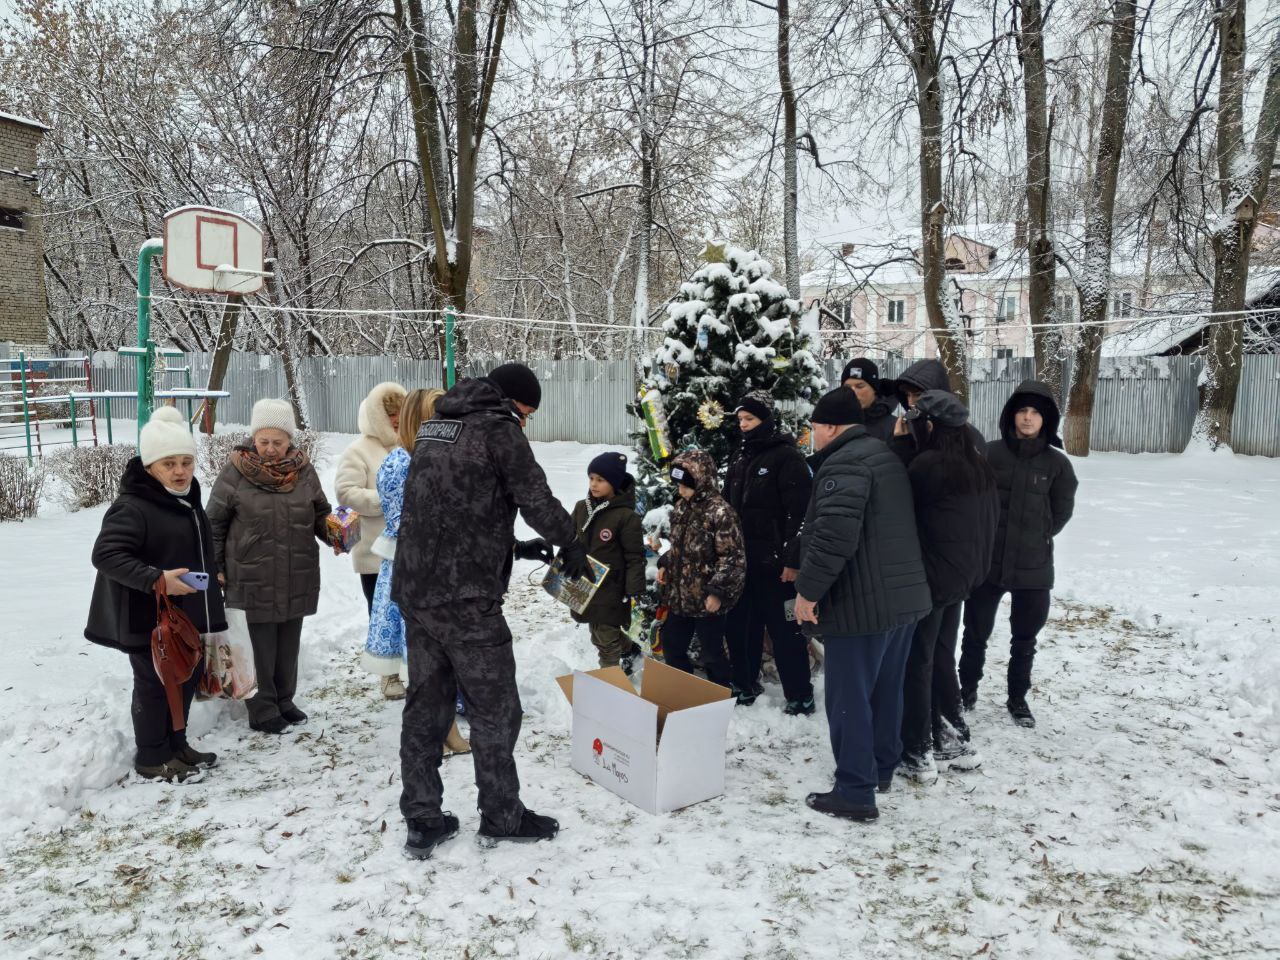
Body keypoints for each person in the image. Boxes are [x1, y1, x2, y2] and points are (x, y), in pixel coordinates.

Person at [392, 362, 590, 858]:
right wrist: (572, 542)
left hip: (417, 590)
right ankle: (502, 815)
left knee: (426, 706)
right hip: (466, 600)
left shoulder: (438, 426)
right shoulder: (499, 429)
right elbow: (535, 497)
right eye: (528, 412)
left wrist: (511, 547)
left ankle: (423, 817)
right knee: (496, 708)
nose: (526, 423)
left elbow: (454, 504)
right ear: (514, 403)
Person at [793, 388, 931, 822]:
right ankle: (881, 767)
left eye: (813, 428)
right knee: (886, 688)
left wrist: (808, 592)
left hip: (862, 605)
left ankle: (854, 789)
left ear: (831, 427)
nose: (811, 436)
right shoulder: (882, 455)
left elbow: (835, 536)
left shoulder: (845, 463)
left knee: (848, 698)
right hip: (901, 600)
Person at [85, 405, 226, 782]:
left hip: (184, 615)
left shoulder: (185, 498)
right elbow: (106, 554)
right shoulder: (133, 505)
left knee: (183, 679)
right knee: (154, 684)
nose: (180, 471)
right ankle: (152, 756)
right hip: (147, 618)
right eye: (169, 464)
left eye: (186, 461)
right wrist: (157, 579)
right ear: (150, 467)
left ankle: (176, 746)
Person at [206, 399, 334, 735]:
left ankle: (284, 700)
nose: (270, 450)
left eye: (278, 442)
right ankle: (262, 709)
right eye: (263, 441)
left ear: (290, 440)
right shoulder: (236, 470)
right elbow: (214, 523)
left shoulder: (304, 471)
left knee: (288, 641)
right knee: (259, 643)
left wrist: (335, 533)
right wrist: (215, 565)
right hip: (251, 572)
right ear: (254, 438)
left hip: (296, 570)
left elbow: (320, 513)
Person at [889, 390, 998, 782]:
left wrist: (899, 446)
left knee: (918, 661)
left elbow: (898, 504)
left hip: (932, 581)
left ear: (930, 425)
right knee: (939, 657)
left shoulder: (928, 466)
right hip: (961, 579)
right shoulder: (975, 463)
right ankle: (955, 740)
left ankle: (917, 753)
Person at [959, 380, 1077, 728]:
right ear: (1011, 416)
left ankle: (1017, 698)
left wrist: (1036, 537)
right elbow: (972, 501)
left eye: (1035, 413)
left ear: (1046, 420)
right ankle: (965, 691)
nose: (1027, 418)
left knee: (1025, 639)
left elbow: (1060, 512)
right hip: (987, 565)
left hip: (1033, 567)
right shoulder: (989, 455)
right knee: (974, 633)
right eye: (1022, 411)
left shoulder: (1057, 465)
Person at [722, 390, 814, 713]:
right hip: (742, 563)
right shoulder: (740, 457)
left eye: (750, 419)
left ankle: (800, 695)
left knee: (786, 631)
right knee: (741, 628)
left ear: (766, 419)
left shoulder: (787, 457)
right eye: (740, 420)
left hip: (776, 567)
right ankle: (745, 685)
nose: (743, 425)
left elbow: (801, 514)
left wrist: (793, 560)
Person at [656, 449, 746, 686]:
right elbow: (680, 547)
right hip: (680, 598)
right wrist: (665, 563)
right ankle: (684, 687)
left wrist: (717, 592)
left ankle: (720, 690)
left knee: (712, 653)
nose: (681, 491)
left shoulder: (720, 512)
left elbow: (733, 558)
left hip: (707, 600)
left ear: (701, 480)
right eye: (677, 485)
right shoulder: (681, 507)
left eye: (686, 485)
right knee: (672, 645)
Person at [567, 451, 646, 673]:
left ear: (614, 482)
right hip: (585, 582)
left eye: (600, 480)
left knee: (605, 641)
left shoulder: (626, 516)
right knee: (598, 630)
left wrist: (633, 588)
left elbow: (634, 555)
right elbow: (569, 539)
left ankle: (608, 682)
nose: (594, 484)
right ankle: (630, 650)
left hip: (612, 587)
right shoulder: (582, 508)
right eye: (591, 478)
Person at [336, 381, 407, 613]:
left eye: (400, 412)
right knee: (381, 619)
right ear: (377, 416)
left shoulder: (411, 445)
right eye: (390, 414)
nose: (396, 419)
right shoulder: (358, 450)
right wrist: (387, 500)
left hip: (410, 553)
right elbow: (346, 492)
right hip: (375, 555)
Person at [840, 357, 898, 443]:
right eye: (847, 387)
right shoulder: (834, 425)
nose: (853, 392)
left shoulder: (896, 428)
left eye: (859, 386)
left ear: (874, 389)